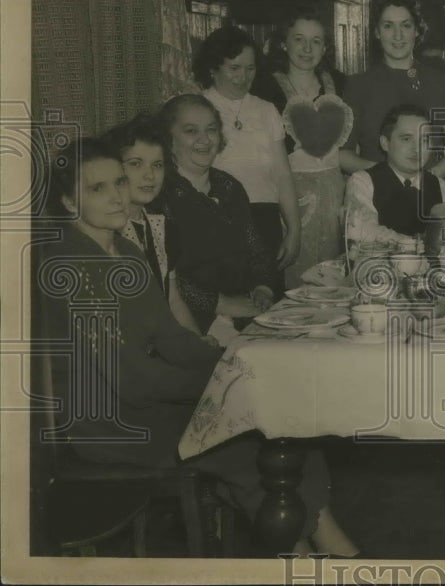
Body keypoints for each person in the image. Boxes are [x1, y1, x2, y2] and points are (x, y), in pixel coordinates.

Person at [33, 138, 361, 556]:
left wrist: (237, 364)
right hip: (113, 426)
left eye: (118, 182)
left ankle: (317, 552)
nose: (117, 196)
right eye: (97, 189)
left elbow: (170, 337)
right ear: (66, 201)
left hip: (149, 405)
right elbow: (134, 382)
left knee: (286, 429)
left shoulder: (126, 253)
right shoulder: (73, 268)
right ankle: (322, 557)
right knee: (258, 444)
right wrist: (228, 386)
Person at [251, 8, 361, 284]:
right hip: (289, 196)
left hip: (336, 193)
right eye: (299, 39)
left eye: (316, 41)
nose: (307, 48)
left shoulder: (340, 83)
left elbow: (349, 146)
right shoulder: (264, 86)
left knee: (335, 277)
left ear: (325, 47)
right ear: (284, 42)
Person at [158, 94, 277, 334]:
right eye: (191, 131)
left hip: (245, 312)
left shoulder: (229, 186)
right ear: (168, 139)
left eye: (211, 130)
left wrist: (263, 288)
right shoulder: (160, 195)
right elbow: (166, 278)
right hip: (191, 321)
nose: (205, 139)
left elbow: (256, 249)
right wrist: (222, 304)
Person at [195, 26, 300, 294]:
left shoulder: (266, 110)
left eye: (250, 68)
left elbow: (283, 175)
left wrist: (293, 230)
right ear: (212, 68)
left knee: (267, 310)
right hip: (218, 223)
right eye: (234, 68)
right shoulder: (196, 109)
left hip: (265, 222)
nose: (243, 77)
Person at [102, 113, 203, 337]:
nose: (149, 175)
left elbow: (173, 300)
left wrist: (198, 345)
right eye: (136, 164)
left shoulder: (159, 226)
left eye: (157, 165)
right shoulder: (104, 233)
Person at [342, 0, 445, 168]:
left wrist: (428, 180)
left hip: (426, 191)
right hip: (373, 190)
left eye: (406, 26)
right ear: (377, 32)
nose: (397, 35)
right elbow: (343, 155)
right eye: (388, 26)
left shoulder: (443, 84)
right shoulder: (357, 86)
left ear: (416, 30)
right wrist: (388, 179)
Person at [344, 104, 445, 249]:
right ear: (385, 143)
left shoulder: (443, 188)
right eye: (406, 139)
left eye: (424, 140)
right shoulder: (363, 182)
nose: (416, 149)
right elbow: (362, 230)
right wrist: (412, 244)